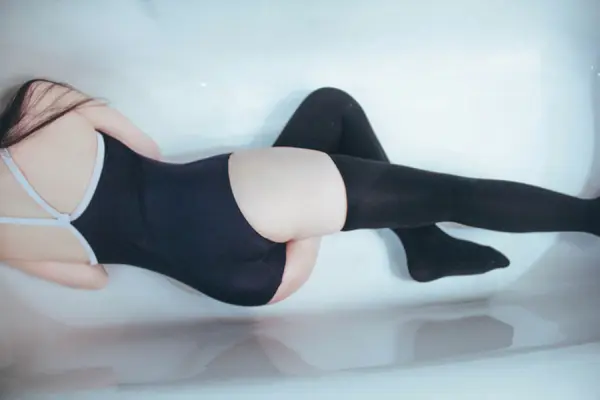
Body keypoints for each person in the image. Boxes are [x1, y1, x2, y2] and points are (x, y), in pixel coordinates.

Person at [0, 80, 598, 307]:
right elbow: (149, 150)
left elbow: (95, 280)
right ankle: (592, 218)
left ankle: (424, 247)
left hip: (246, 286)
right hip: (242, 204)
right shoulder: (39, 104)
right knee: (454, 194)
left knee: (330, 108)